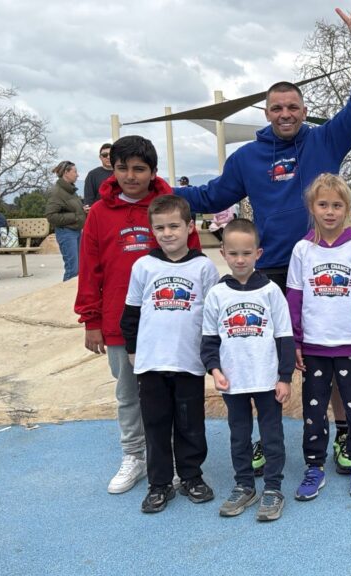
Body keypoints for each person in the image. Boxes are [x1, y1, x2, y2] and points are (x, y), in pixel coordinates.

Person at [174, 5, 351, 472]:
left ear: (304, 110)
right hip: (269, 274)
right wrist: (163, 191)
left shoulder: (325, 140)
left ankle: (344, 436)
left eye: (293, 107)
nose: (286, 114)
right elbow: (212, 195)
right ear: (266, 113)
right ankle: (268, 439)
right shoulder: (247, 157)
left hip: (322, 268)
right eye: (277, 108)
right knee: (265, 359)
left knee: (333, 359)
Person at [75, 135, 201, 495]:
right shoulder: (99, 214)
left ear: (153, 171)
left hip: (171, 321)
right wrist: (91, 320)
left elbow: (193, 262)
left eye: (139, 169)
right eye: (122, 168)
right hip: (120, 321)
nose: (131, 176)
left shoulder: (171, 209)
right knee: (129, 393)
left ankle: (171, 459)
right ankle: (134, 454)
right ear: (111, 169)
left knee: (171, 396)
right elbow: (90, 269)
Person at [120, 195, 218, 514]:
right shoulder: (143, 266)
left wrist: (211, 355)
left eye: (174, 226)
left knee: (191, 424)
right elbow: (131, 313)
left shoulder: (204, 267)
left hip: (189, 362)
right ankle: (159, 483)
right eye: (160, 227)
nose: (167, 233)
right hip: (151, 363)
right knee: (156, 424)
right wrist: (133, 350)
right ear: (152, 230)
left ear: (190, 227)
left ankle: (191, 476)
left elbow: (214, 316)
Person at [287, 173, 351, 500]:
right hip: (313, 347)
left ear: (347, 209)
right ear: (312, 208)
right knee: (313, 411)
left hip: (349, 345)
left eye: (337, 205)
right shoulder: (302, 249)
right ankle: (314, 466)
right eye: (323, 204)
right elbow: (294, 297)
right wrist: (295, 341)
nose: (330, 212)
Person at [202, 218, 295, 522]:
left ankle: (273, 488)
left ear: (258, 253)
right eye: (233, 253)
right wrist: (214, 369)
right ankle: (244, 485)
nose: (240, 260)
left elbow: (284, 336)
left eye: (246, 253)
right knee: (238, 436)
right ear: (223, 254)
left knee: (271, 436)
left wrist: (285, 377)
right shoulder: (217, 294)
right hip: (233, 381)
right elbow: (209, 339)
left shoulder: (271, 291)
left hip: (267, 380)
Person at [45, 160, 87, 281]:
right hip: (66, 233)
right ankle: (66, 292)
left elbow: (70, 208)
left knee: (79, 269)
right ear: (66, 173)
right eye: (75, 172)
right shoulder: (57, 192)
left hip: (76, 231)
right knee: (73, 270)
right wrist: (76, 216)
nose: (77, 175)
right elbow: (51, 216)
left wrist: (82, 210)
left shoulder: (70, 191)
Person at [83, 143, 114, 207]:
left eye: (111, 154)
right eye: (105, 155)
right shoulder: (92, 175)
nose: (108, 157)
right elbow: (89, 198)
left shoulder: (122, 173)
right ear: (100, 157)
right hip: (100, 211)